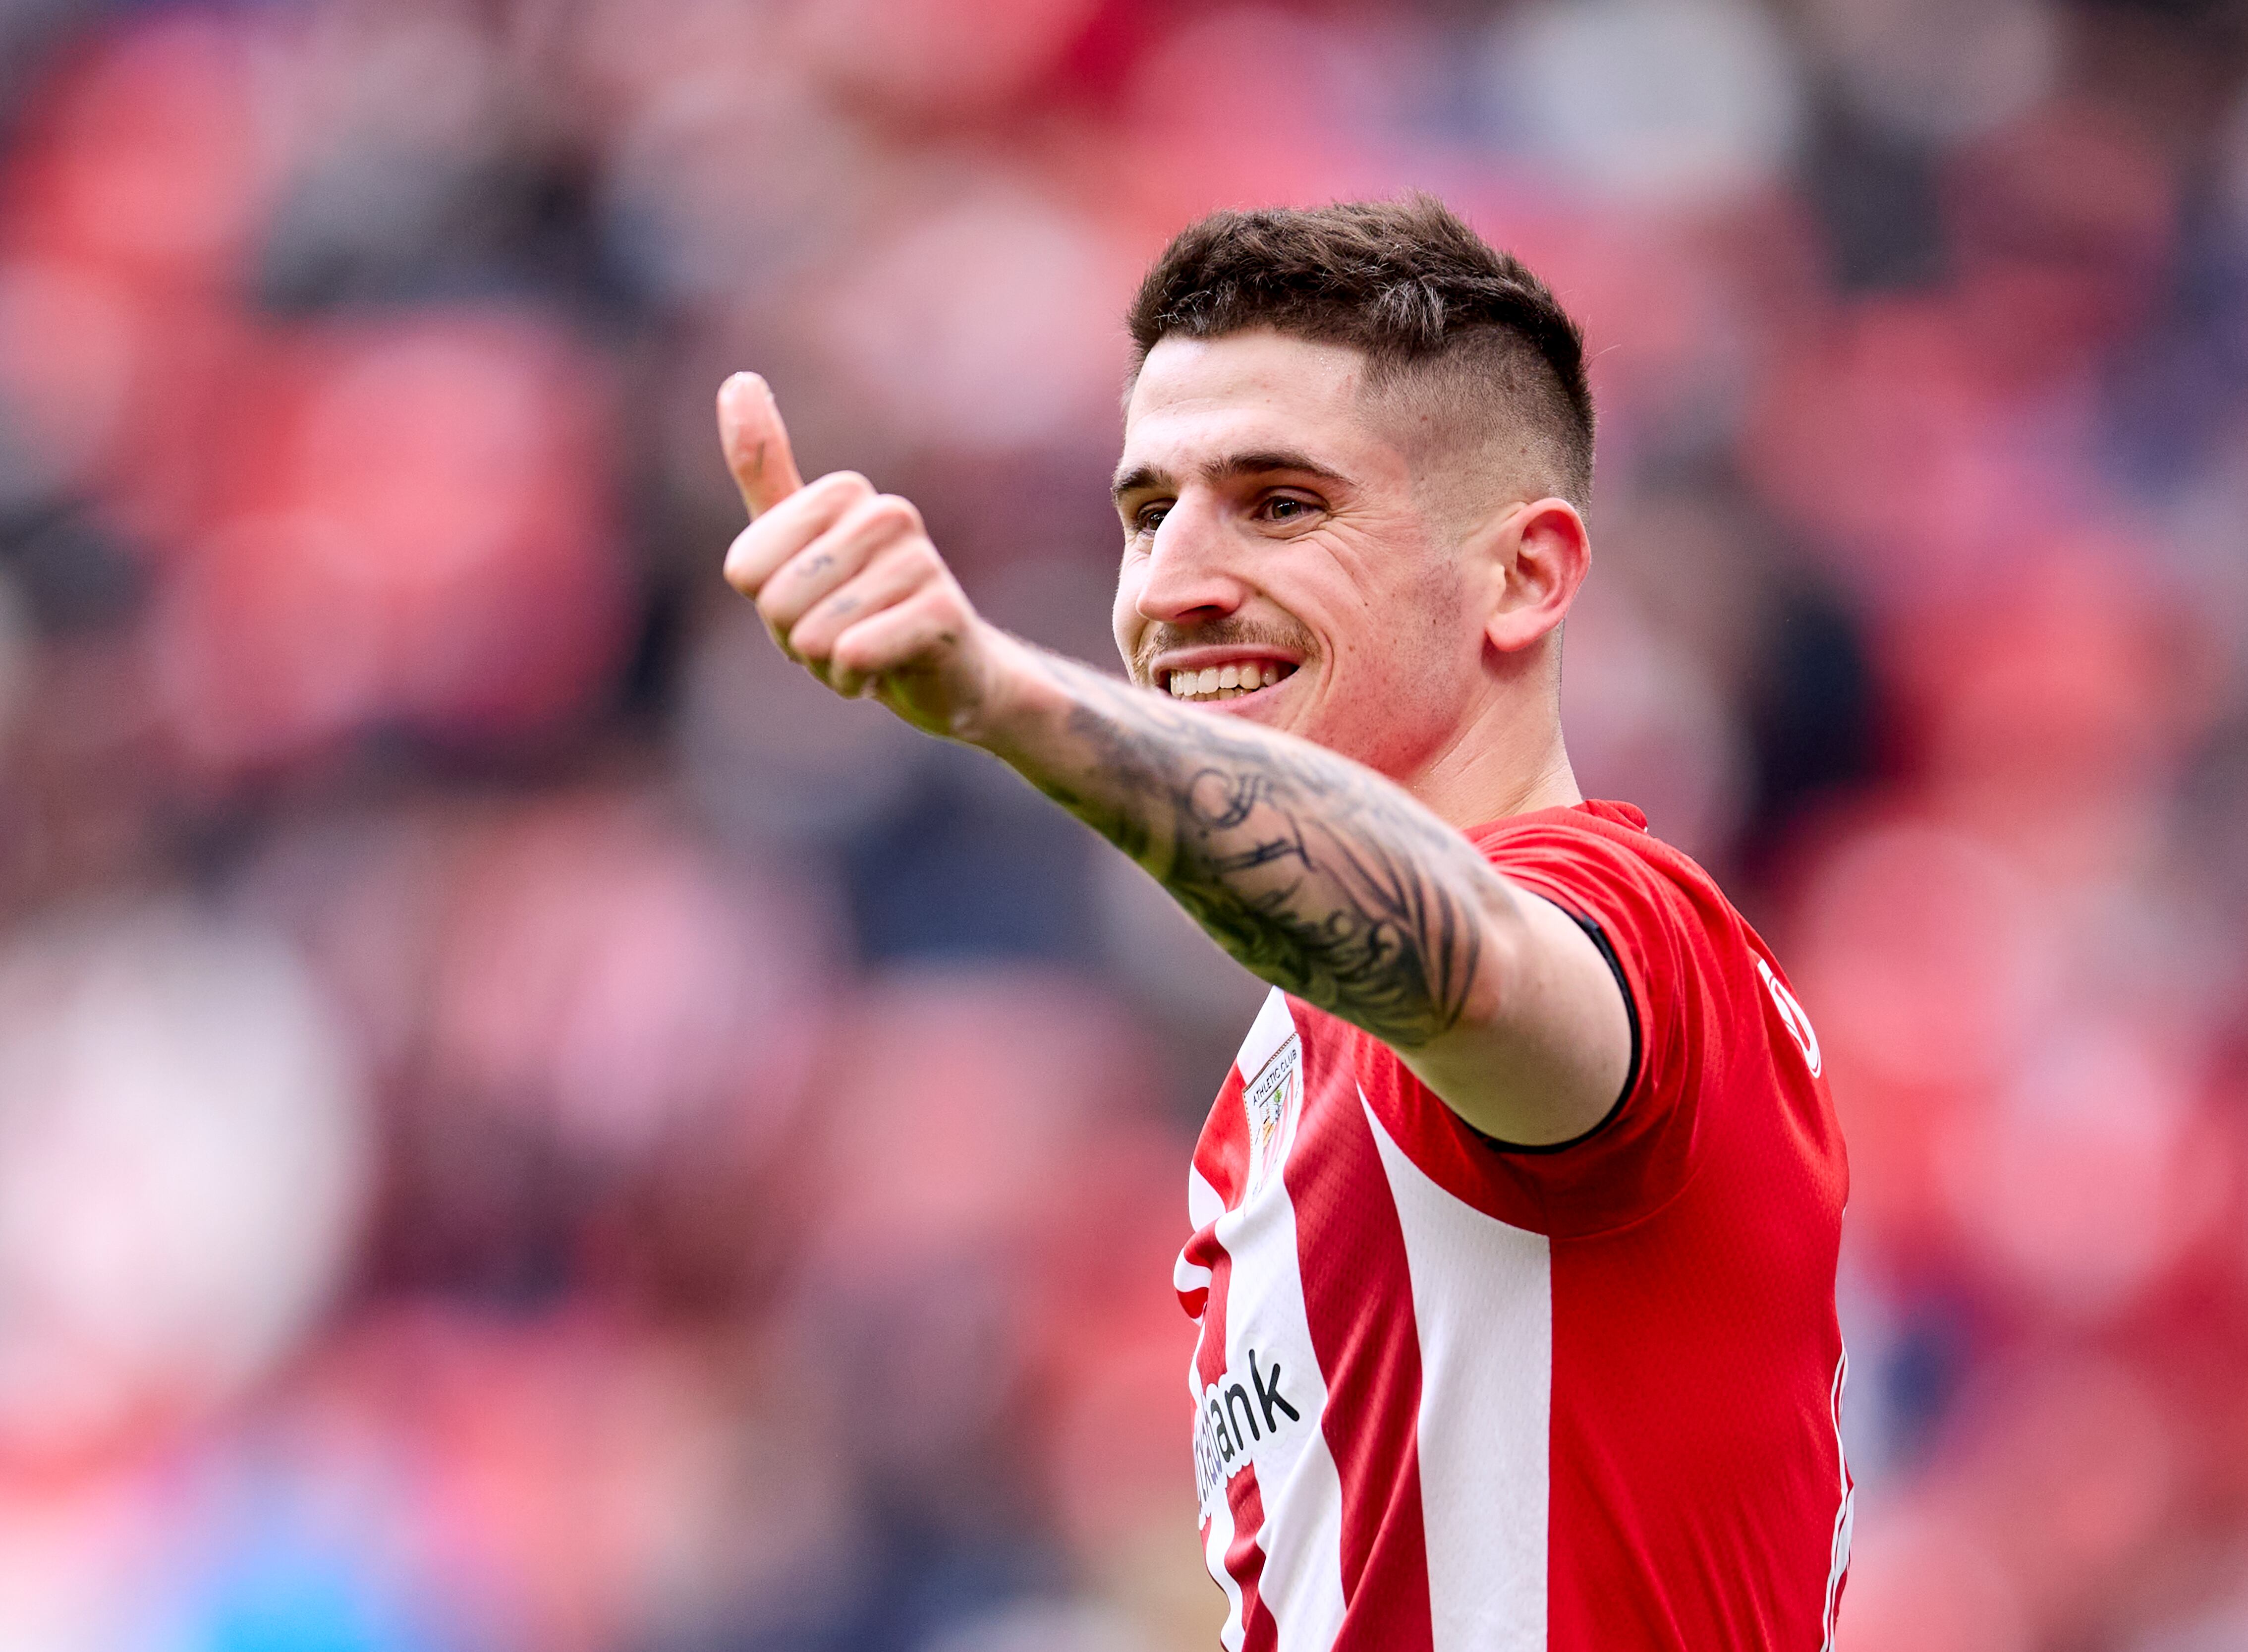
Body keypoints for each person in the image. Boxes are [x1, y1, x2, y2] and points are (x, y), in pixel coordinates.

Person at [717, 195, 1851, 1652]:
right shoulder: (1279, 1080)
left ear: (1524, 576)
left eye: (1281, 504)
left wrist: (1006, 698)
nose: (1174, 585)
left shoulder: (1634, 932)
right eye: (1146, 512)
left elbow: (1482, 964)